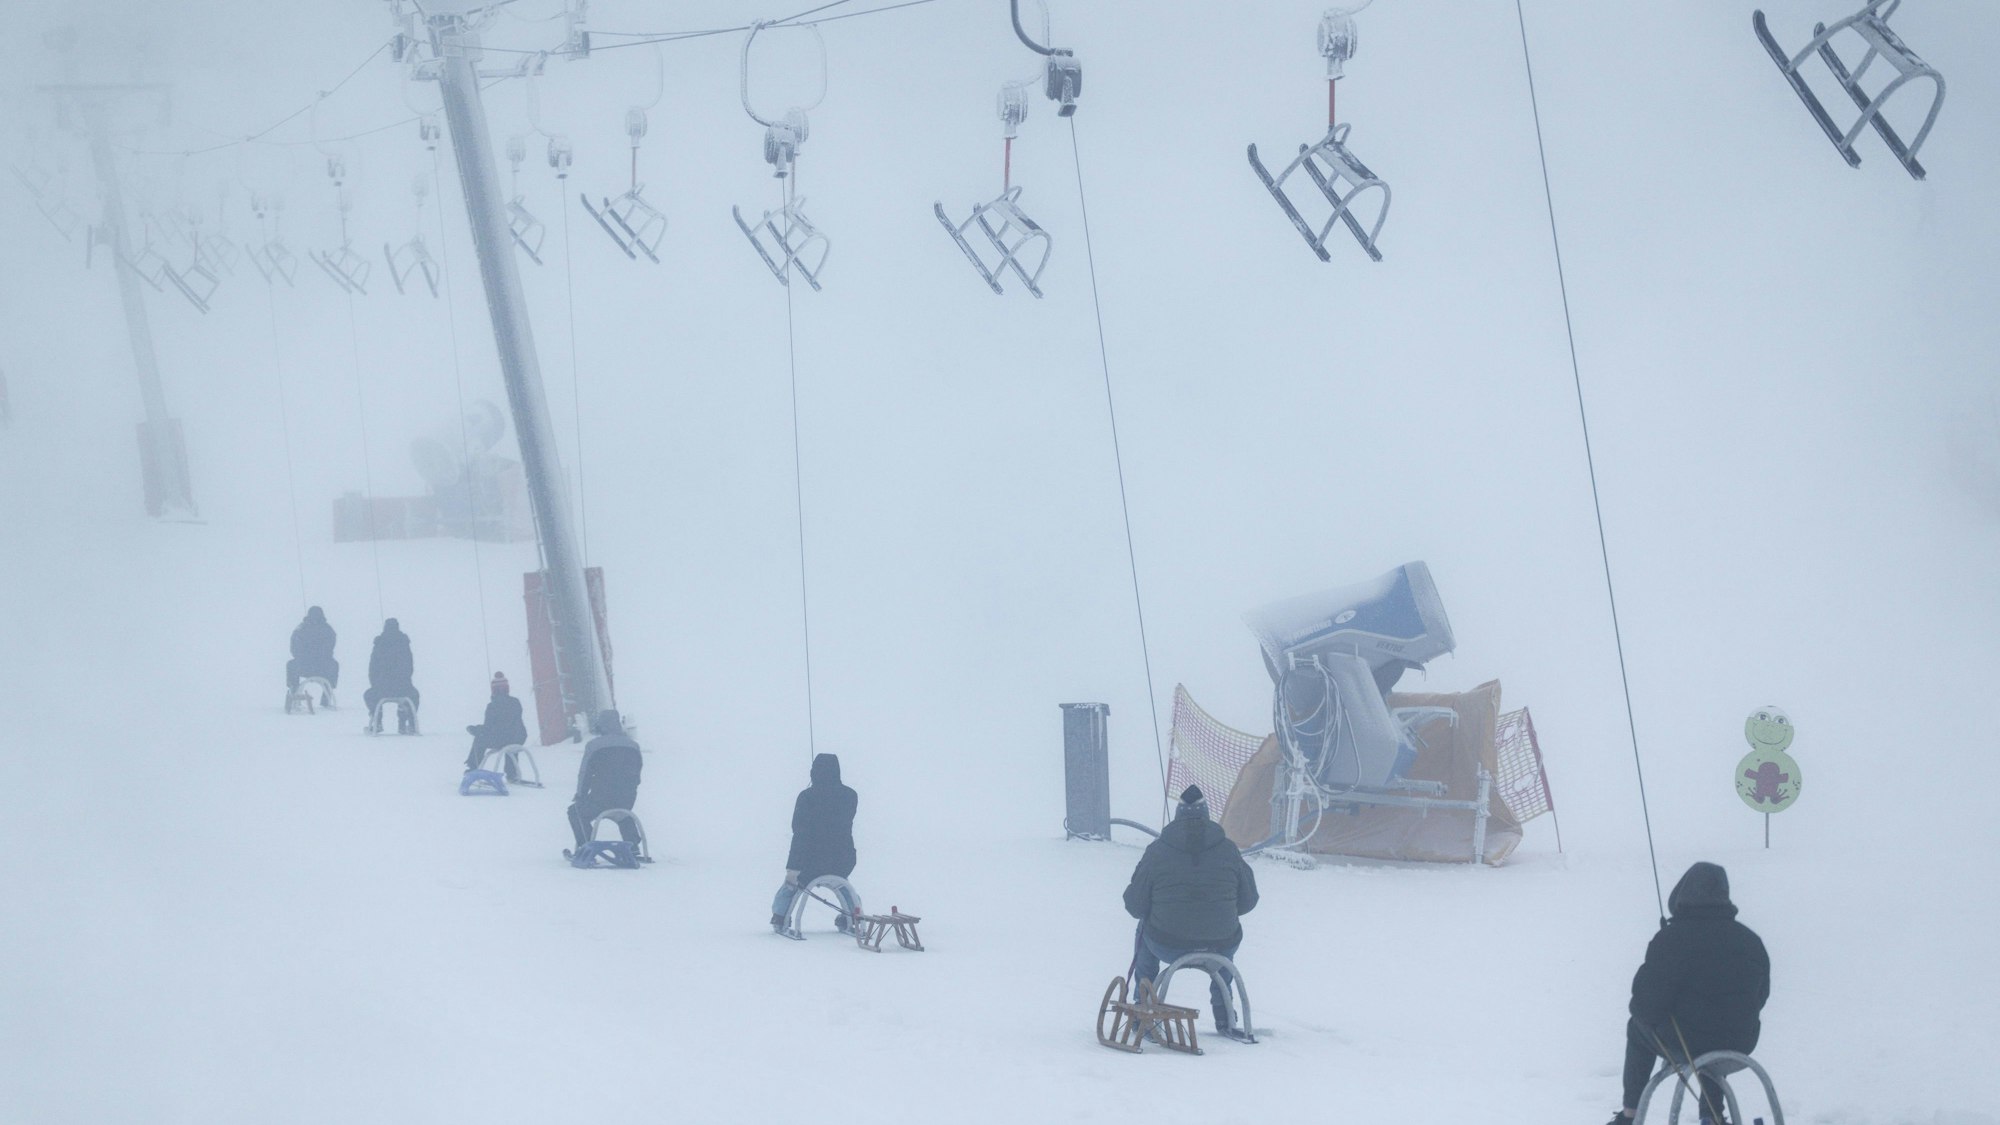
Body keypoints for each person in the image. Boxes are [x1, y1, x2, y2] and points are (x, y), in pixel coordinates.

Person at [1606, 862, 1771, 1125]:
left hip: (1688, 1041)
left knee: (1638, 1029)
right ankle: (1711, 1115)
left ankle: (1630, 1115)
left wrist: (1660, 951)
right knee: (1716, 1031)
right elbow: (1760, 997)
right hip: (1741, 1042)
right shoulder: (1750, 940)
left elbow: (1644, 1008)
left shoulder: (1672, 939)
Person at [1122, 785, 1259, 1033]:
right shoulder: (1228, 850)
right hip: (1221, 943)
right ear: (1207, 816)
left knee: (1144, 929)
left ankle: (1143, 1007)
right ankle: (1224, 1015)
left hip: (1168, 944)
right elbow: (1249, 900)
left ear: (1177, 817)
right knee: (1225, 934)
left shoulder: (1157, 852)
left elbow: (1135, 905)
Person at [770, 753, 859, 932]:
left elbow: (800, 834)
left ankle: (779, 917)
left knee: (790, 886)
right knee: (843, 885)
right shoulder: (850, 796)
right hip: (842, 861)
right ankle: (855, 915)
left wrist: (793, 868)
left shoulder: (806, 797)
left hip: (809, 862)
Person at [567, 709, 642, 851]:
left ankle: (586, 846)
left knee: (575, 812)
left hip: (600, 799)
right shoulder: (633, 745)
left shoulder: (594, 746)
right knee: (623, 815)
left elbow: (585, 774)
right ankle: (633, 844)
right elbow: (637, 774)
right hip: (627, 799)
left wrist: (580, 795)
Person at [464, 672, 528, 777]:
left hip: (502, 737)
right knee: (511, 740)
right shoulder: (515, 702)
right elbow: (510, 724)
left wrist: (475, 730)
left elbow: (489, 728)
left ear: (494, 690)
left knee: (480, 738)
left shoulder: (492, 706)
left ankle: (473, 768)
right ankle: (512, 773)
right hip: (519, 737)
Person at [363, 618, 420, 732]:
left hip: (382, 688)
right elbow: (409, 667)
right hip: (404, 688)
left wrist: (376, 684)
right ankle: (407, 722)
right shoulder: (404, 644)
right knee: (415, 695)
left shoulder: (379, 644)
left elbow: (372, 669)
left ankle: (377, 721)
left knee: (369, 695)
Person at [286, 606, 339, 691]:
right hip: (322, 666)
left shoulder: (301, 628)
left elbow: (293, 649)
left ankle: (293, 691)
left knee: (291, 664)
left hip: (304, 665)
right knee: (334, 665)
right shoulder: (328, 629)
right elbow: (330, 648)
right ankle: (328, 693)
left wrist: (303, 656)